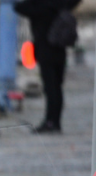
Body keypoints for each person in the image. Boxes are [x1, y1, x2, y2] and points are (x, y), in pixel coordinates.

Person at [13, 0, 81, 133]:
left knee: (51, 89)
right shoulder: (59, 5)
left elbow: (20, 7)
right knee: (57, 87)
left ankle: (50, 121)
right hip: (59, 50)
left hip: (45, 50)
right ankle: (55, 121)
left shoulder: (39, 6)